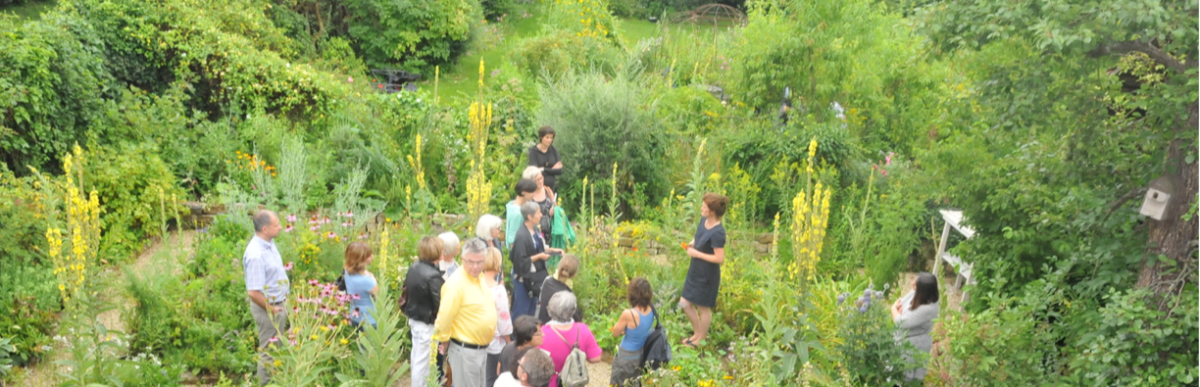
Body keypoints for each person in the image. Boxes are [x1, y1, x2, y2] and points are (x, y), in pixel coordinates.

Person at [434, 238, 499, 387]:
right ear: (462, 259)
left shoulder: (479, 277)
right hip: (465, 351)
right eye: (470, 262)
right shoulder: (456, 285)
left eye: (480, 262)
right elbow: (444, 318)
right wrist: (444, 344)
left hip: (480, 350)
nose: (475, 267)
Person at [243, 210, 289, 385]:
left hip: (278, 303)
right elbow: (253, 292)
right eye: (276, 225)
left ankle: (277, 380)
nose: (280, 227)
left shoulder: (269, 243)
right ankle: (266, 384)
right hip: (268, 308)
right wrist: (271, 309)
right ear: (265, 228)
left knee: (278, 348)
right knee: (269, 351)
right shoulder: (256, 254)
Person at [679, 193, 729, 348]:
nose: (701, 208)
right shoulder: (704, 221)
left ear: (712, 211)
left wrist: (696, 254)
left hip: (707, 276)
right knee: (684, 304)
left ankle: (701, 340)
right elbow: (700, 236)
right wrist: (692, 243)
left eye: (704, 206)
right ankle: (696, 334)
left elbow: (720, 258)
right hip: (695, 271)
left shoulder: (718, 233)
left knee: (703, 308)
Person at [404, 236, 446, 387]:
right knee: (423, 364)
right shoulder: (433, 276)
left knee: (417, 358)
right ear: (435, 252)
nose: (444, 251)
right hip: (427, 324)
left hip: (415, 318)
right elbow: (440, 303)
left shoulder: (414, 266)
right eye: (442, 249)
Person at [510, 202, 563, 318]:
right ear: (529, 216)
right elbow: (520, 260)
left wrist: (554, 250)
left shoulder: (534, 229)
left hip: (535, 277)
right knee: (522, 310)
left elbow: (539, 246)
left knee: (532, 308)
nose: (541, 215)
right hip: (523, 279)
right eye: (538, 213)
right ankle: (517, 335)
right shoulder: (522, 236)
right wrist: (539, 256)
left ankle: (529, 334)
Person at [538, 292, 602, 387]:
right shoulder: (582, 329)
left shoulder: (541, 333)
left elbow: (537, 364)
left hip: (552, 383)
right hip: (574, 382)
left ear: (550, 309)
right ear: (573, 310)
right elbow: (595, 358)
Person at [891, 272, 939, 382]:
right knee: (896, 373)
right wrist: (900, 314)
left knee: (907, 378)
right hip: (905, 340)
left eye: (916, 284)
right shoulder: (917, 293)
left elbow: (900, 322)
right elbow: (901, 302)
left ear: (924, 290)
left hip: (915, 346)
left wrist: (893, 309)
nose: (912, 284)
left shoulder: (928, 309)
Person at [609, 277, 655, 387]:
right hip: (640, 354)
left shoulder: (629, 314)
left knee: (618, 382)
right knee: (633, 383)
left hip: (625, 356)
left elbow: (615, 333)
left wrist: (620, 329)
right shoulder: (651, 308)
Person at [484, 247, 514, 387]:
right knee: (492, 378)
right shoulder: (498, 290)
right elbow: (504, 321)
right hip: (495, 343)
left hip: (476, 339)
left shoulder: (475, 285)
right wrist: (510, 342)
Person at [536, 254, 582, 325]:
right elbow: (574, 318)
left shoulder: (547, 281)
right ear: (574, 275)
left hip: (543, 326)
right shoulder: (568, 295)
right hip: (559, 329)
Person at [343, 242, 379, 328]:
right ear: (362, 260)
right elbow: (378, 296)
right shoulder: (367, 281)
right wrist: (374, 279)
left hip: (355, 316)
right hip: (369, 321)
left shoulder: (347, 272)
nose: (372, 256)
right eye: (369, 255)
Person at [498, 315, 544, 380]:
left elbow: (498, 371)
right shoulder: (531, 358)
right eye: (538, 333)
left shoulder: (508, 347)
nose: (543, 335)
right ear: (526, 339)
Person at [522, 166, 556, 241]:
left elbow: (555, 205)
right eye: (537, 180)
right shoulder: (527, 196)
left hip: (551, 234)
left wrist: (555, 210)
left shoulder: (548, 191)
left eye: (541, 178)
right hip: (534, 236)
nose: (540, 181)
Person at [506, 179, 539, 250]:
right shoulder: (517, 213)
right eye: (531, 192)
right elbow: (512, 239)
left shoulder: (512, 205)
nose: (534, 194)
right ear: (523, 192)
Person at [527, 126, 563, 191]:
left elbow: (559, 171)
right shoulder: (533, 152)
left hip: (551, 189)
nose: (549, 140)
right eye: (547, 137)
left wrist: (543, 169)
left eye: (551, 138)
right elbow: (535, 173)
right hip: (538, 189)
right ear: (541, 137)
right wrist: (552, 170)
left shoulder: (553, 150)